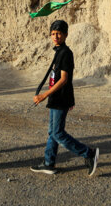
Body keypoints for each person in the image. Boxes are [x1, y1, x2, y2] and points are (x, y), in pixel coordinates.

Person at [30, 20, 99, 176]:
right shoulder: (59, 51)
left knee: (58, 133)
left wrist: (43, 95)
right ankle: (49, 163)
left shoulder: (66, 53)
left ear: (66, 35)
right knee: (52, 131)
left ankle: (89, 154)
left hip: (60, 98)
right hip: (57, 98)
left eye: (59, 33)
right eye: (53, 33)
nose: (55, 36)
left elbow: (64, 79)